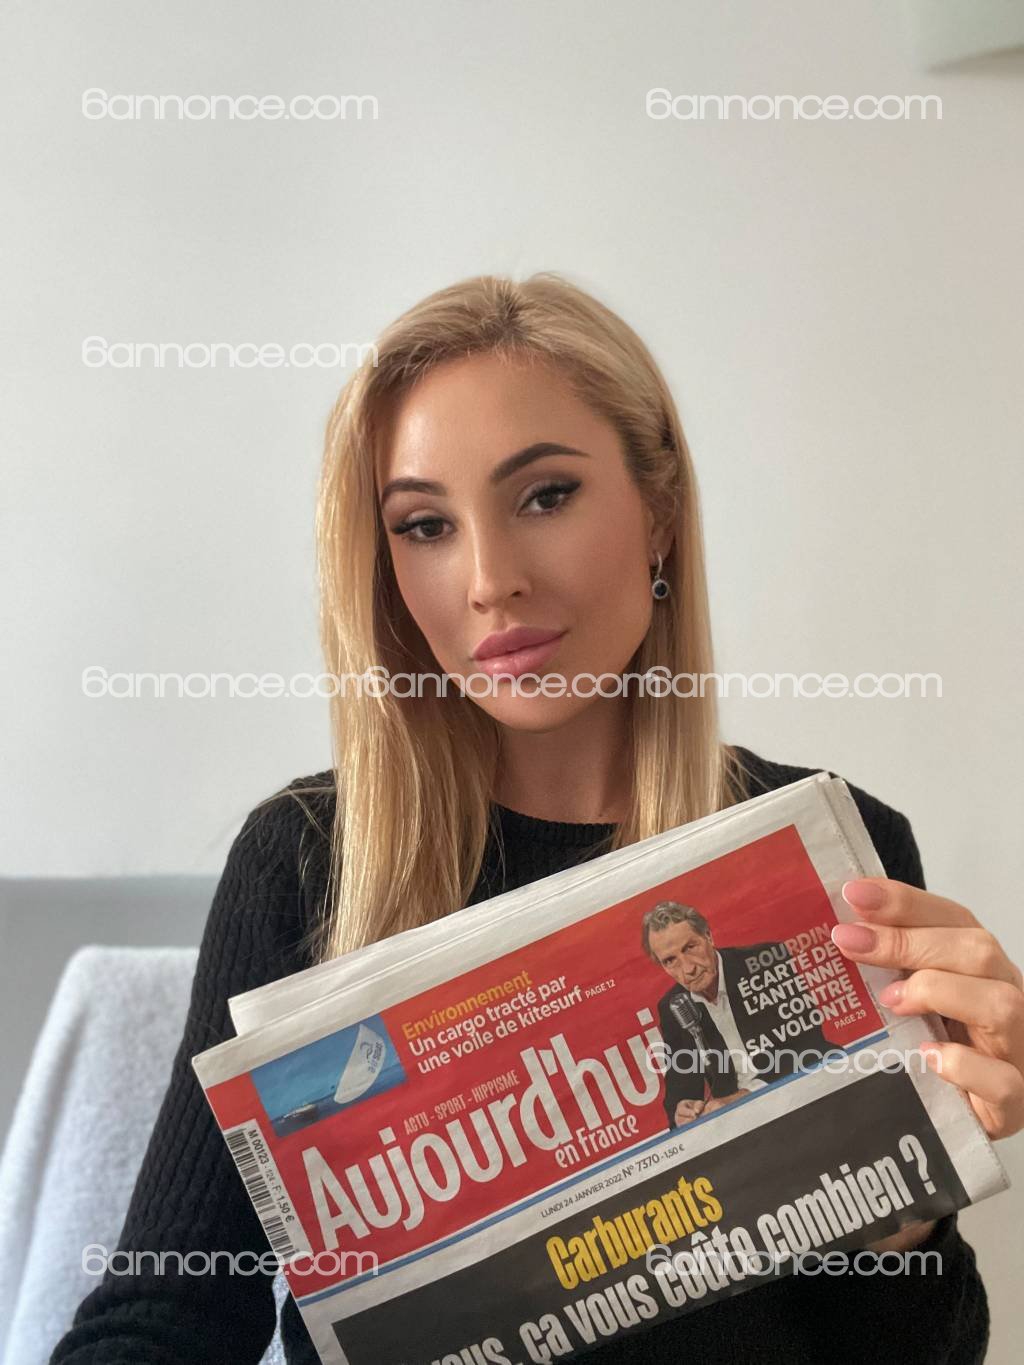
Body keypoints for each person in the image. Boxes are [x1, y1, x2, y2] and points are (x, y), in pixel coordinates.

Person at [50, 273, 1022, 1365]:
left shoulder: (829, 855)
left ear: (659, 514)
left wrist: (906, 1215)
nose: (489, 581)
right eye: (425, 525)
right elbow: (167, 1317)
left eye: (545, 496)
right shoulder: (306, 860)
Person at [643, 902, 831, 1129]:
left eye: (690, 947)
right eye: (670, 960)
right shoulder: (673, 1006)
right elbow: (681, 1085)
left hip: (802, 1087)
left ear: (708, 937)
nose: (688, 969)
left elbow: (809, 1046)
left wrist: (745, 1096)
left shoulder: (764, 960)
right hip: (740, 1121)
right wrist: (682, 1111)